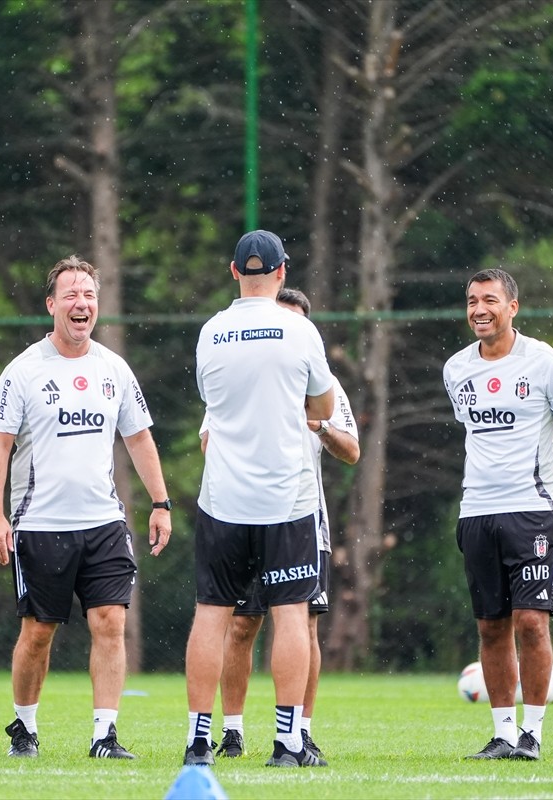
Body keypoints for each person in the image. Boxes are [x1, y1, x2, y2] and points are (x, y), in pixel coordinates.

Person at [0, 255, 172, 760]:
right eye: (70, 295)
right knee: (38, 633)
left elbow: (138, 438)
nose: (80, 303)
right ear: (51, 305)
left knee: (110, 621)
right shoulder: (23, 371)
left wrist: (161, 502)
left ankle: (104, 736)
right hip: (40, 525)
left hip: (104, 523)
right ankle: (24, 728)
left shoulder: (113, 368)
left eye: (88, 295)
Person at [185, 231, 335, 768]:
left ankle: (199, 741)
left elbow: (212, 400)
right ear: (282, 273)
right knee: (291, 616)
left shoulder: (211, 332)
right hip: (286, 499)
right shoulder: (300, 331)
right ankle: (289, 743)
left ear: (233, 272)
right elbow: (322, 402)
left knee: (211, 616)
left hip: (223, 497)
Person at [442, 268, 553, 761]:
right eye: (471, 301)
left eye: (489, 300)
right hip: (478, 513)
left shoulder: (545, 363)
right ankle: (503, 733)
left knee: (531, 621)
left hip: (532, 511)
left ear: (513, 308)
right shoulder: (456, 369)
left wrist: (550, 481)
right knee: (491, 625)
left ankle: (532, 733)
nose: (478, 309)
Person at [213, 288, 360, 765]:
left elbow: (352, 450)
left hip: (301, 520)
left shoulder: (324, 384)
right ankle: (231, 731)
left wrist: (316, 424)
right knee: (241, 626)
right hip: (243, 515)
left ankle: (300, 731)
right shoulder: (241, 371)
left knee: (303, 626)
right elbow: (206, 439)